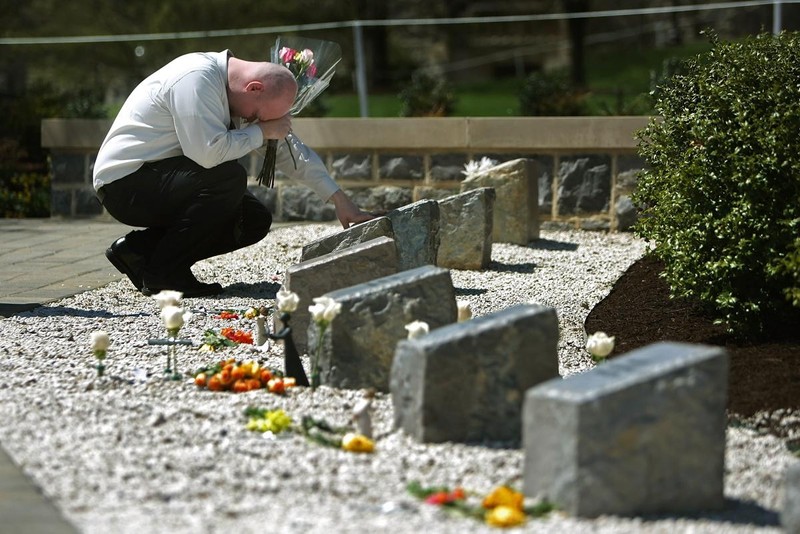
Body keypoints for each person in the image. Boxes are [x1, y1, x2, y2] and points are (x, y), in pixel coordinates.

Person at [93, 50, 372, 297]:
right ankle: (165, 274)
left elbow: (287, 150)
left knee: (252, 219)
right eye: (258, 116)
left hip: (161, 179)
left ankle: (139, 252)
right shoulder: (195, 80)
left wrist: (338, 199)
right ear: (253, 87)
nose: (255, 121)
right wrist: (261, 131)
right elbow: (206, 153)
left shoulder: (237, 94)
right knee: (228, 179)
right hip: (125, 185)